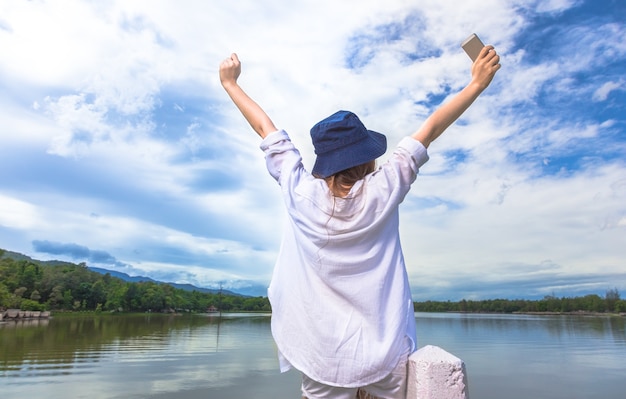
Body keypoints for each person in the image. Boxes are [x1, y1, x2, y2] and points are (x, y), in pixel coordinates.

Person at [219, 45, 500, 399]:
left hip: (321, 356)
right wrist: (476, 83)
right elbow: (431, 128)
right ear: (367, 157)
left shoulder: (299, 189)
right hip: (385, 353)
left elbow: (265, 127)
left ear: (325, 159)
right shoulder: (386, 186)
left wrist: (230, 83)